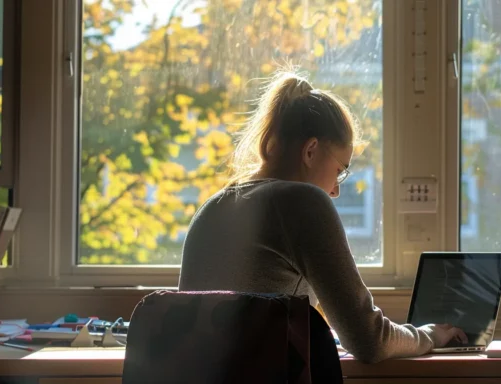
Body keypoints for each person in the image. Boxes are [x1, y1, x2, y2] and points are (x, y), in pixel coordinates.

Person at [178, 68, 467, 363]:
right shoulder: (302, 202)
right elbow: (369, 340)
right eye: (340, 171)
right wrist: (430, 335)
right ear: (311, 151)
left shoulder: (213, 207)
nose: (335, 191)